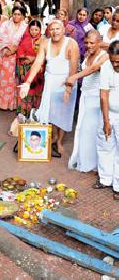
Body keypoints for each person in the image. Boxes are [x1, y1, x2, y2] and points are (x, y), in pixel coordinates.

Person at [19, 20, 80, 156]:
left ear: (63, 29)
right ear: (48, 31)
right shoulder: (45, 43)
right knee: (50, 111)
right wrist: (27, 83)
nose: (55, 32)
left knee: (63, 113)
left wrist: (68, 89)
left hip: (66, 82)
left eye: (58, 28)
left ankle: (59, 141)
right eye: (52, 29)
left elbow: (73, 69)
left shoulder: (71, 44)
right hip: (50, 82)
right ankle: (51, 137)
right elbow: (37, 63)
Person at [67, 30, 108, 172]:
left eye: (92, 43)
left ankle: (94, 164)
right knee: (81, 129)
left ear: (99, 42)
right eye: (86, 42)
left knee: (90, 130)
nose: (88, 45)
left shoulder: (105, 56)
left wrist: (74, 77)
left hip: (96, 99)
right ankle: (84, 161)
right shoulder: (87, 55)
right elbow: (86, 67)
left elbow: (94, 68)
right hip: (85, 96)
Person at [94, 40, 119, 200]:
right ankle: (105, 179)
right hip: (109, 112)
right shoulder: (106, 67)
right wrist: (106, 121)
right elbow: (103, 94)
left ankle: (118, 185)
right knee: (105, 144)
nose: (115, 64)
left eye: (118, 62)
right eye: (113, 61)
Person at [0, 6, 27, 111]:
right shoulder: (5, 25)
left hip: (18, 57)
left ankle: (15, 104)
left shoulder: (25, 27)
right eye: (14, 14)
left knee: (17, 81)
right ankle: (3, 104)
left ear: (23, 16)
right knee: (4, 81)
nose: (16, 16)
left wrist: (16, 49)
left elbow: (27, 42)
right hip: (5, 57)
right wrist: (7, 49)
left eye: (19, 14)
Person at [16, 20, 44, 116]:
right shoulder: (25, 40)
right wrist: (27, 57)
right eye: (32, 29)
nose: (34, 32)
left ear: (40, 29)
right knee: (26, 90)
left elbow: (45, 55)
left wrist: (34, 59)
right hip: (26, 69)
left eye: (36, 29)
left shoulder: (43, 41)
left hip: (38, 71)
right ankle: (24, 113)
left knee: (37, 91)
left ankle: (36, 113)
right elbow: (19, 53)